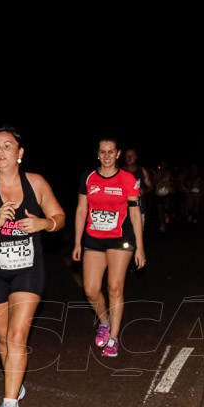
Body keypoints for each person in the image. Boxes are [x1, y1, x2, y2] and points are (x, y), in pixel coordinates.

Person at [0, 126, 65, 407]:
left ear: (20, 153)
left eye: (7, 146)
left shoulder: (35, 183)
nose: (0, 152)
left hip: (28, 269)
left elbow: (60, 218)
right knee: (4, 335)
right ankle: (15, 380)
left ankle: (9, 406)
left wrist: (42, 223)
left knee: (17, 336)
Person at [72, 137, 146, 358]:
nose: (106, 156)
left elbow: (135, 212)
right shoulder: (89, 177)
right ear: (98, 154)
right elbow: (81, 210)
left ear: (117, 154)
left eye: (110, 152)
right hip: (94, 239)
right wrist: (77, 241)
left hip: (120, 239)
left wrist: (140, 247)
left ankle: (113, 338)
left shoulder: (127, 179)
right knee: (91, 290)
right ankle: (104, 321)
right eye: (102, 152)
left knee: (115, 288)